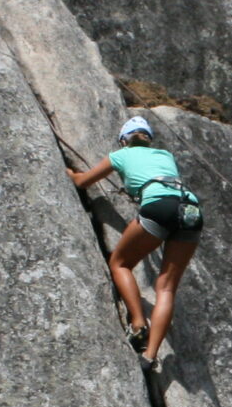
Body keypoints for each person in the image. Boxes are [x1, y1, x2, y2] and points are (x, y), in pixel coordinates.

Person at [69, 115, 204, 367]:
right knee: (166, 288)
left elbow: (82, 182)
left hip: (159, 207)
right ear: (148, 139)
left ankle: (138, 323)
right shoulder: (165, 155)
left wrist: (68, 172)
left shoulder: (120, 155)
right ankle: (150, 356)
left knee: (120, 264)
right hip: (190, 209)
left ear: (123, 140)